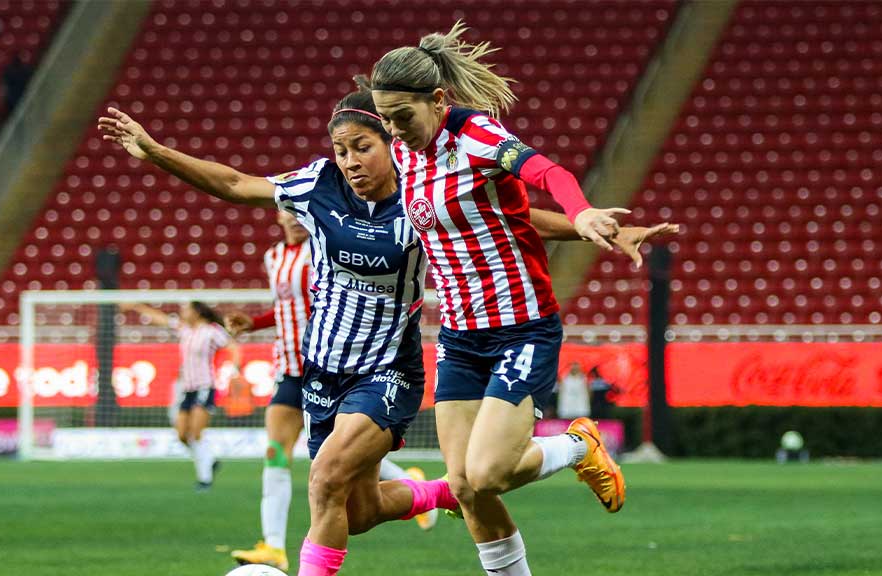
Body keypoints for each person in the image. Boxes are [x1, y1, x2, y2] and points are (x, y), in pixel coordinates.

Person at [99, 83, 672, 575]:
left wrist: (592, 226)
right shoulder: (316, 185)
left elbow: (516, 218)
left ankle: (504, 471)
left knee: (322, 481)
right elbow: (233, 183)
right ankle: (448, 489)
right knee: (358, 512)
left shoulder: (421, 195)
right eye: (341, 149)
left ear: (391, 146)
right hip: (322, 370)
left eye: (362, 147)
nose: (349, 160)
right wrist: (154, 152)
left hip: (386, 372)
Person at [370, 22, 632, 575]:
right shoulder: (405, 150)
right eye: (386, 119)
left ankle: (579, 447)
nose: (394, 130)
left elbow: (546, 172)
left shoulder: (477, 136)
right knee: (466, 486)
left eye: (402, 117)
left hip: (522, 326)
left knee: (488, 473)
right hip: (461, 336)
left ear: (438, 100)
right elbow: (511, 216)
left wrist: (582, 212)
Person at [225, 211, 437, 571]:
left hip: (331, 368)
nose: (292, 220)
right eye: (285, 213)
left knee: (339, 461)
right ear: (277, 215)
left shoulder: (325, 249)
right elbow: (285, 308)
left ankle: (407, 481)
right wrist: (254, 323)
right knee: (277, 452)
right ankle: (274, 545)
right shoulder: (273, 257)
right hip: (288, 370)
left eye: (297, 214)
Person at [122, 301, 240, 490]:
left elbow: (233, 347)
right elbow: (161, 319)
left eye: (186, 309)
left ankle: (205, 479)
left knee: (196, 432)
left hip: (205, 387)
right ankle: (210, 460)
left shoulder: (212, 331)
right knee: (182, 435)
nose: (183, 312)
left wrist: (234, 370)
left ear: (198, 313)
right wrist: (137, 307)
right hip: (188, 388)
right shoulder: (184, 329)